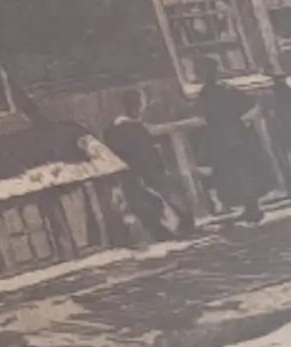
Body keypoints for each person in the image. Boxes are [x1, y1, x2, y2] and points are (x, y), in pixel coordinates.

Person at [101, 91, 186, 241]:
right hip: (141, 173)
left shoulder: (114, 129)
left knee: (148, 203)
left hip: (131, 174)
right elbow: (145, 153)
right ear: (136, 107)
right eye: (141, 106)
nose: (141, 110)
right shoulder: (134, 129)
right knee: (154, 201)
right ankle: (168, 229)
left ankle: (164, 230)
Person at [197, 72, 267, 225]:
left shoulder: (208, 92)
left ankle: (251, 209)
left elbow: (204, 114)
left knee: (238, 173)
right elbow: (249, 105)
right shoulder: (226, 89)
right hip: (235, 134)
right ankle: (251, 208)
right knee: (241, 172)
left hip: (224, 137)